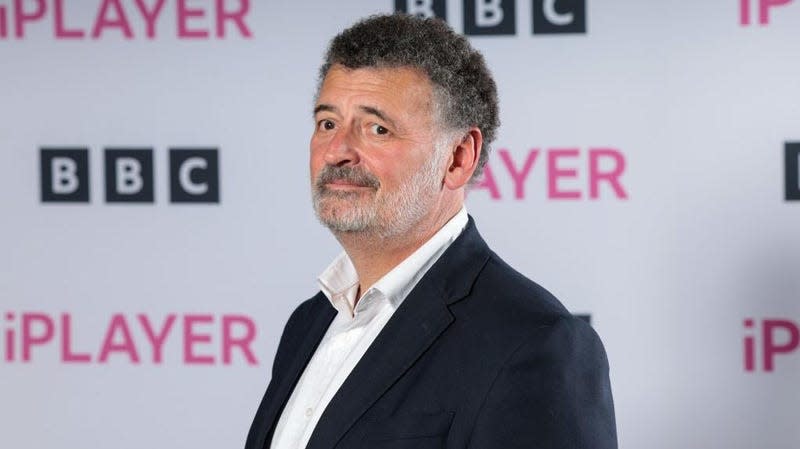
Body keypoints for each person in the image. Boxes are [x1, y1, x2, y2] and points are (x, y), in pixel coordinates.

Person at [245, 14, 617, 449]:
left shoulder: (535, 344)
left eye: (377, 129)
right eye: (327, 123)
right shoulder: (309, 322)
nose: (337, 151)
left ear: (458, 158)